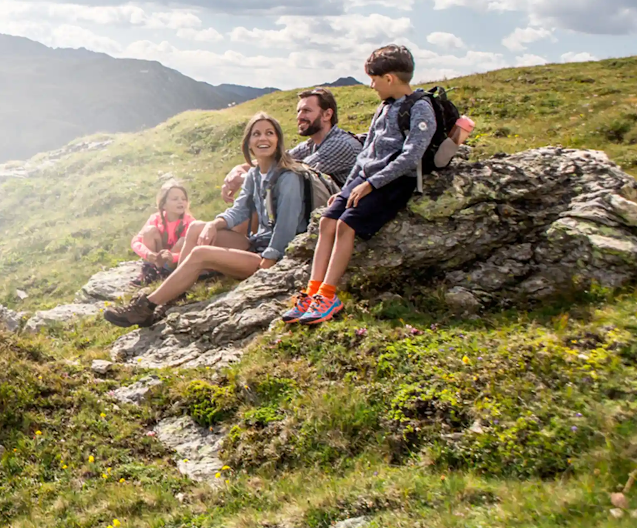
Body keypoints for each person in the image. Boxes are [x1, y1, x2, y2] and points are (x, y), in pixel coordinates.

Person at [104, 113, 308, 328]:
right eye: (256, 134)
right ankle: (174, 292)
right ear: (248, 142)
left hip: (278, 255)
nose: (262, 139)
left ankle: (146, 307)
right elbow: (238, 212)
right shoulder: (254, 175)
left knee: (201, 254)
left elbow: (286, 226)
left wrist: (269, 260)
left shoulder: (288, 177)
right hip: (258, 243)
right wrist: (212, 225)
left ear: (278, 140)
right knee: (195, 227)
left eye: (269, 133)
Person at [286, 44, 433, 325]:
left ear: (389, 78)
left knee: (345, 225)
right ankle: (312, 291)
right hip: (363, 179)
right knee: (327, 222)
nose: (371, 85)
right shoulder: (384, 106)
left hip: (392, 182)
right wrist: (345, 189)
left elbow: (412, 155)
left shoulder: (420, 108)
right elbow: (367, 153)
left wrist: (372, 184)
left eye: (374, 79)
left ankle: (328, 296)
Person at [221, 87, 361, 203]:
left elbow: (292, 174)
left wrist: (245, 178)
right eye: (298, 111)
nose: (299, 117)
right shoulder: (311, 144)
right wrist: (239, 168)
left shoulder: (341, 145)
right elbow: (279, 160)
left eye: (306, 111)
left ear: (327, 115)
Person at [130, 181, 194, 280]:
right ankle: (150, 271)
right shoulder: (155, 218)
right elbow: (135, 241)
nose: (181, 202)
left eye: (183, 199)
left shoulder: (190, 222)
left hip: (174, 263)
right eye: (175, 199)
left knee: (183, 241)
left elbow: (195, 250)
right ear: (163, 204)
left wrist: (173, 257)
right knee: (149, 231)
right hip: (156, 258)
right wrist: (147, 253)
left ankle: (166, 273)